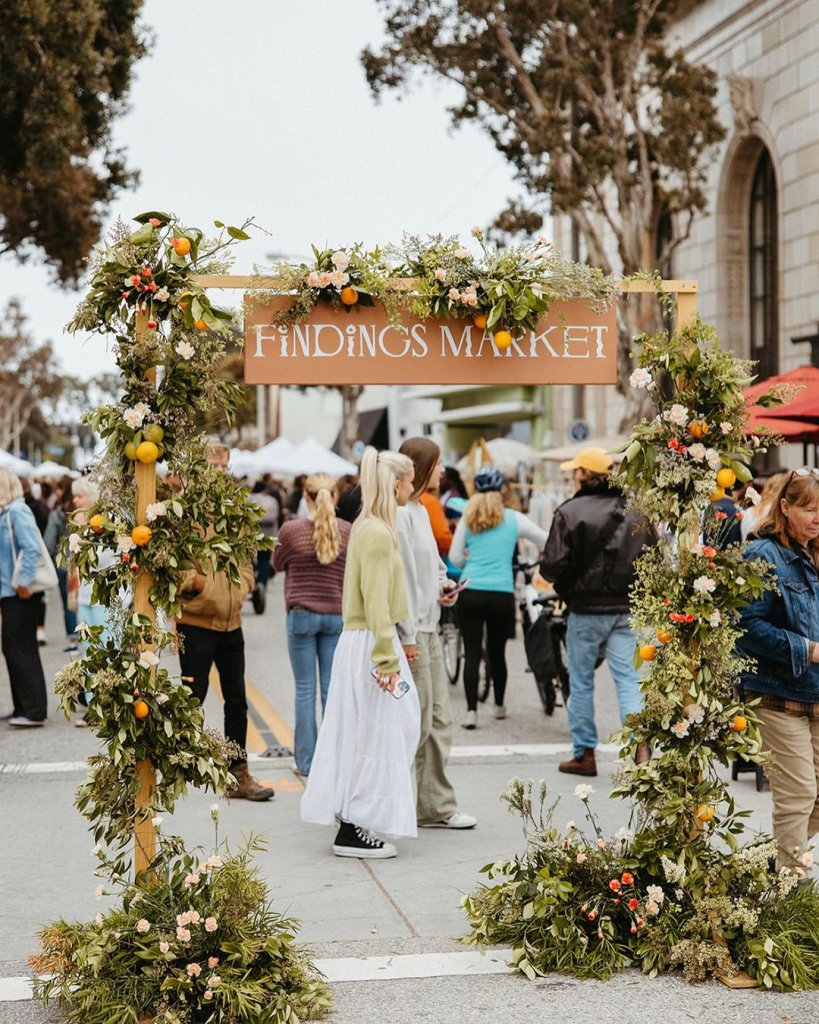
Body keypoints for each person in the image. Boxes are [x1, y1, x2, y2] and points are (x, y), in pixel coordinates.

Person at [301, 447, 420, 858]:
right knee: (377, 731)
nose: (412, 486)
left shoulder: (372, 527)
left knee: (377, 729)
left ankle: (358, 819)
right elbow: (375, 601)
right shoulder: (374, 531)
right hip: (371, 641)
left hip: (371, 640)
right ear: (395, 483)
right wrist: (387, 658)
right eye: (408, 479)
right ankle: (355, 825)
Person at [539, 447, 656, 777]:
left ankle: (584, 754)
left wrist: (562, 581)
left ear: (585, 476)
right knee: (629, 681)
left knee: (581, 682)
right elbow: (654, 558)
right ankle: (640, 750)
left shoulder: (570, 511)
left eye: (577, 471)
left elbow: (550, 566)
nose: (574, 476)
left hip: (586, 609)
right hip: (626, 607)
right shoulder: (638, 510)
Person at [176, 441, 274, 801]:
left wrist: (244, 584)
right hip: (196, 621)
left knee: (237, 700)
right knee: (192, 698)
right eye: (215, 466)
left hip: (232, 622)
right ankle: (180, 766)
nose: (222, 473)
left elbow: (248, 555)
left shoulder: (235, 509)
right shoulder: (182, 511)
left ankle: (238, 773)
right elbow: (171, 560)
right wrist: (197, 585)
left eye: (225, 466)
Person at [736, 468, 819, 874]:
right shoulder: (762, 555)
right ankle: (792, 893)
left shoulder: (815, 553)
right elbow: (744, 627)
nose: (818, 519)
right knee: (799, 794)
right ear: (784, 507)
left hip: (816, 693)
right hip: (778, 693)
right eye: (810, 510)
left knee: (814, 799)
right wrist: (807, 649)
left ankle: (778, 866)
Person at [397, 437, 477, 830]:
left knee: (438, 722)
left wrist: (441, 587)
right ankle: (408, 806)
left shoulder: (419, 510)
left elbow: (428, 571)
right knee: (420, 725)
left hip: (425, 627)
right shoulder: (402, 515)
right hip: (414, 633)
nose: (444, 471)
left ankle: (435, 806)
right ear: (419, 468)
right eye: (439, 464)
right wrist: (408, 631)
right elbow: (404, 579)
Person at [449, 467, 549, 728]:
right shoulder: (514, 518)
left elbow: (455, 557)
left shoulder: (467, 518)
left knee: (471, 652)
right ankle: (499, 705)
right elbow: (545, 539)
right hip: (500, 594)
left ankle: (471, 712)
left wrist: (473, 558)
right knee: (497, 652)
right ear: (502, 491)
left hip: (470, 591)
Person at [273, 473, 351, 777]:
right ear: (335, 496)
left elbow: (277, 564)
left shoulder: (292, 530)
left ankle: (306, 763)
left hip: (302, 614)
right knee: (331, 690)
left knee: (305, 690)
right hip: (336, 614)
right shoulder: (348, 530)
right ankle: (335, 760)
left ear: (305, 496)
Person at [0, 468, 49, 727]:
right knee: (13, 647)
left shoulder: (17, 511)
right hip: (11, 591)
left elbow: (31, 548)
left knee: (20, 647)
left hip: (20, 592)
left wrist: (23, 582)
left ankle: (34, 709)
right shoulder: (9, 511)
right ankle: (24, 706)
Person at [44, 479, 78, 651]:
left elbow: (49, 542)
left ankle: (73, 640)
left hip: (64, 563)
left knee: (68, 603)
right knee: (84, 601)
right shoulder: (85, 511)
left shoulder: (58, 514)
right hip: (84, 563)